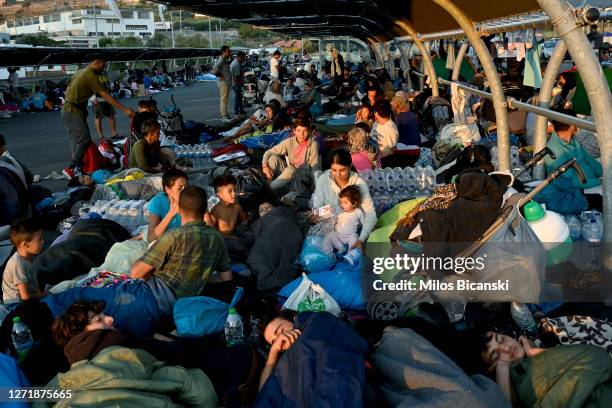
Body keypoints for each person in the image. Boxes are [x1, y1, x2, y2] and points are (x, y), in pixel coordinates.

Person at [131, 186, 233, 316]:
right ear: (205, 210)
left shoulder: (174, 236)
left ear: (179, 209)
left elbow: (135, 273)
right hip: (186, 307)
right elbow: (226, 277)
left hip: (156, 301)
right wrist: (197, 278)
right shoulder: (216, 238)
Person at [61, 56, 134, 179]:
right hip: (73, 111)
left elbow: (68, 89)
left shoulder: (80, 72)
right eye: (103, 65)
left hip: (69, 110)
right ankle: (73, 168)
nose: (104, 68)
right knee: (84, 140)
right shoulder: (90, 75)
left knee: (76, 142)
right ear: (97, 62)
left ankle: (77, 172)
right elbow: (105, 95)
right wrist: (125, 110)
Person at [310, 149, 377, 248]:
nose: (337, 174)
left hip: (352, 231)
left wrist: (361, 239)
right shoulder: (323, 180)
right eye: (334, 170)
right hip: (329, 230)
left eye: (342, 170)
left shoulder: (359, 183)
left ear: (349, 167)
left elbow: (370, 214)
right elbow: (318, 207)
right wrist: (316, 215)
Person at [262, 117, 321, 190]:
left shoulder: (313, 144)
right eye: (299, 130)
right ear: (294, 131)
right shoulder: (289, 141)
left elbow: (315, 166)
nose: (302, 134)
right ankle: (268, 182)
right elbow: (268, 152)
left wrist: (315, 188)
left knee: (291, 169)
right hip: (289, 173)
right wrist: (265, 166)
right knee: (273, 158)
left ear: (309, 131)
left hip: (303, 178)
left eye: (305, 131)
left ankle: (267, 189)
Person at [2, 218, 44, 305]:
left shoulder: (31, 257)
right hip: (16, 305)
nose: (43, 241)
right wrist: (42, 295)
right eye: (39, 239)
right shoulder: (18, 264)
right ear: (26, 244)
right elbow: (25, 297)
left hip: (33, 296)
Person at [147, 168, 188, 242]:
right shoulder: (157, 202)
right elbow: (151, 238)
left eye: (186, 187)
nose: (185, 191)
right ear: (167, 189)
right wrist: (171, 214)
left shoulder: (193, 199)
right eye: (179, 188)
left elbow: (209, 227)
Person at [322, 185, 364, 255]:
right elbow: (330, 216)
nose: (342, 205)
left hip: (349, 236)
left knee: (355, 237)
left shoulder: (358, 212)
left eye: (345, 202)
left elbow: (365, 223)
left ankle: (350, 255)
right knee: (329, 235)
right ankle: (328, 254)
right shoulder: (339, 210)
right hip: (338, 235)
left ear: (354, 203)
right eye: (341, 202)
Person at [92, 73, 120, 141]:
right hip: (97, 99)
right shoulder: (92, 74)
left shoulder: (105, 74)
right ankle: (101, 136)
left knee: (111, 115)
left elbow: (108, 85)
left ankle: (114, 134)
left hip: (107, 98)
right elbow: (90, 87)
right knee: (98, 117)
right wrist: (93, 97)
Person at [214, 45, 233, 122]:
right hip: (223, 83)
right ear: (224, 52)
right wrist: (221, 76)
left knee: (225, 99)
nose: (230, 53)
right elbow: (215, 69)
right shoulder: (221, 60)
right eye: (228, 51)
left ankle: (226, 114)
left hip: (226, 82)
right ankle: (224, 116)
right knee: (223, 99)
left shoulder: (224, 59)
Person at [230, 51, 247, 117]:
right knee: (237, 99)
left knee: (239, 98)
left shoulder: (236, 62)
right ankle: (236, 112)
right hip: (236, 84)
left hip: (236, 84)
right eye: (244, 58)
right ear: (240, 57)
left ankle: (241, 111)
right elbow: (237, 77)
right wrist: (241, 85)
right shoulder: (236, 64)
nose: (244, 59)